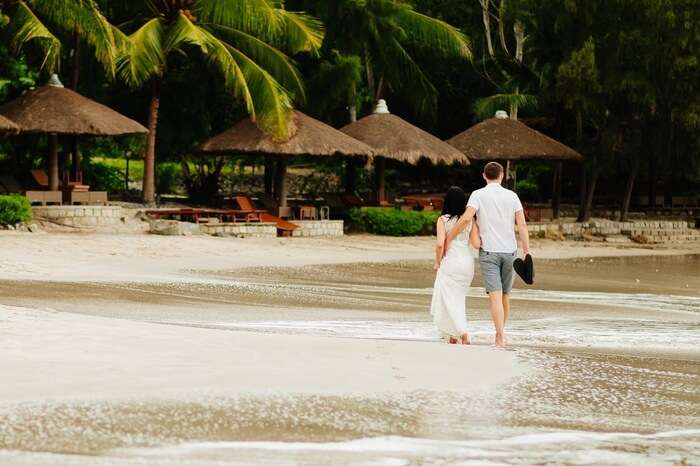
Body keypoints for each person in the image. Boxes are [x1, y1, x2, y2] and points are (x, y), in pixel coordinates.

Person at [443, 162, 529, 347]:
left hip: (489, 252)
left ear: (484, 176)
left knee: (495, 297)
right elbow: (522, 224)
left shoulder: (478, 195)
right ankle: (501, 335)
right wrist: (527, 251)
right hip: (510, 252)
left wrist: (449, 237)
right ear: (502, 175)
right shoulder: (512, 196)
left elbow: (466, 218)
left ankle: (499, 335)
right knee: (505, 296)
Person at [431, 186, 481, 344]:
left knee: (447, 298)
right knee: (458, 298)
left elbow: (440, 244)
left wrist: (438, 261)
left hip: (451, 262)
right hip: (466, 262)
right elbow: (476, 244)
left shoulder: (442, 220)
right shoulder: (470, 221)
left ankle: (461, 332)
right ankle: (453, 335)